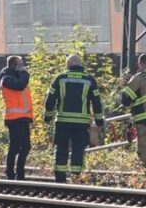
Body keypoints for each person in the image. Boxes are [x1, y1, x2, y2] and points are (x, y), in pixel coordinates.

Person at [44, 54, 104, 183]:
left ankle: (60, 179)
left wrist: (48, 117)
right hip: (81, 123)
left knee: (61, 149)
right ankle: (75, 178)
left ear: (69, 65)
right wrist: (99, 121)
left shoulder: (60, 78)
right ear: (79, 64)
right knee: (78, 149)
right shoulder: (89, 79)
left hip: (62, 122)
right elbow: (97, 103)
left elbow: (50, 100)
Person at [0, 55, 32, 180]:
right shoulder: (6, 78)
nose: (22, 66)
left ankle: (20, 173)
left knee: (26, 146)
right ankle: (10, 173)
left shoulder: (17, 77)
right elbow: (19, 85)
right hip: (14, 118)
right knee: (14, 147)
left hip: (23, 117)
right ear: (13, 65)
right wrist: (24, 73)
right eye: (20, 64)